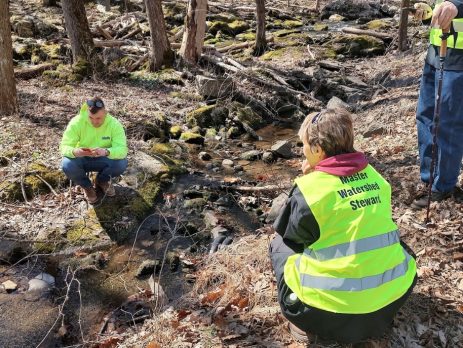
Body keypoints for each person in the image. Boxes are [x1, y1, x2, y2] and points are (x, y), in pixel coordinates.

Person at [269, 108, 417, 344]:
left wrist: (308, 179)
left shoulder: (311, 191)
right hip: (391, 300)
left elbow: (292, 236)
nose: (303, 151)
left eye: (304, 145)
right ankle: (373, 313)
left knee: (280, 244)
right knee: (396, 243)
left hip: (325, 314)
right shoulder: (377, 179)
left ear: (317, 149)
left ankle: (303, 325)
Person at [413, 0, 463, 209]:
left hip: (458, 60)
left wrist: (457, 6)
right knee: (424, 116)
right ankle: (429, 177)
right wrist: (428, 13)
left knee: (447, 124)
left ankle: (443, 185)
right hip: (435, 53)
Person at [60, 97, 128, 204]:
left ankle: (102, 180)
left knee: (121, 163)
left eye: (98, 118)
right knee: (67, 164)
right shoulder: (77, 122)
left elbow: (122, 150)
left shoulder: (114, 124)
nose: (94, 122)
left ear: (105, 112)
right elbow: (64, 147)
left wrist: (106, 151)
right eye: (91, 118)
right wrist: (75, 152)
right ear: (87, 113)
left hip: (104, 158)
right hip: (82, 158)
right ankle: (87, 186)